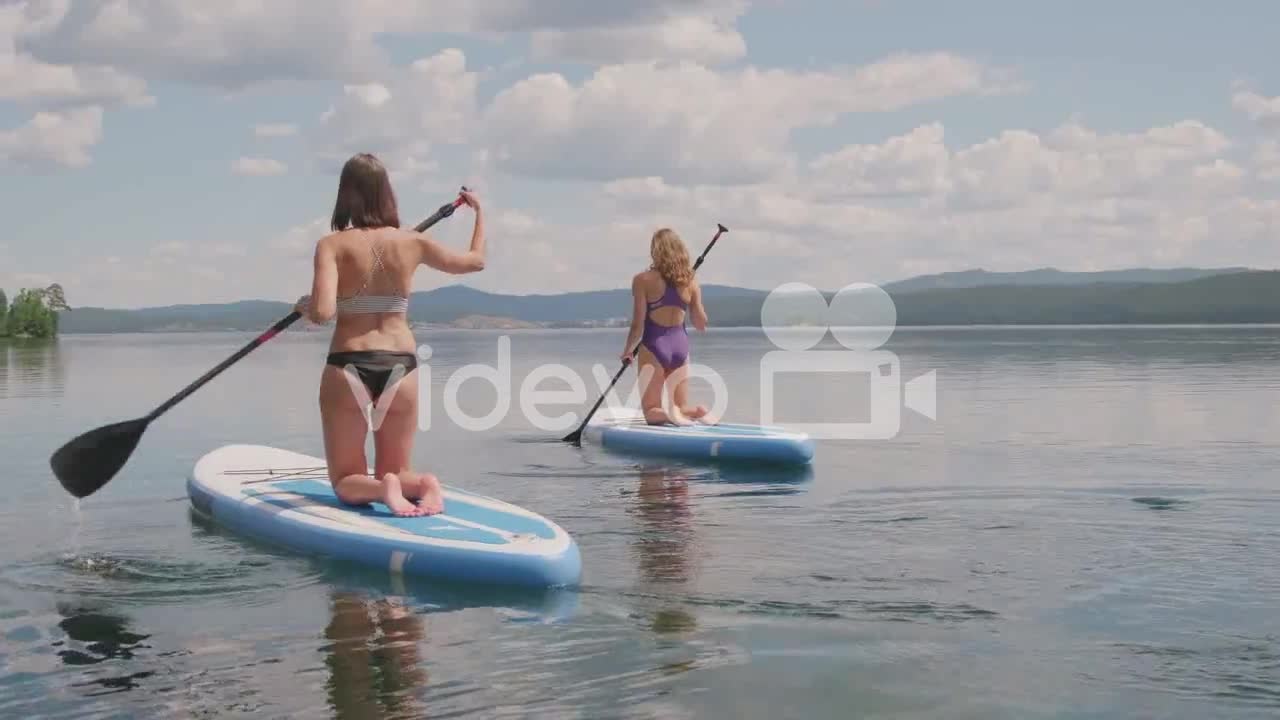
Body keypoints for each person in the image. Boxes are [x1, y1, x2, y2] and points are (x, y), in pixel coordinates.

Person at [295, 153, 484, 517]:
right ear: (387, 194)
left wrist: (305, 307)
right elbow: (475, 261)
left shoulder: (332, 245)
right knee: (396, 469)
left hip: (349, 362)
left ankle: (385, 490)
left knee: (346, 479)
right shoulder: (412, 242)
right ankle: (419, 484)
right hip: (401, 364)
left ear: (345, 195)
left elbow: (322, 313)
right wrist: (479, 213)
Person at [620, 228, 715, 426]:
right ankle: (698, 411)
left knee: (651, 411)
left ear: (656, 251)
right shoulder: (691, 281)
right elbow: (700, 323)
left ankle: (670, 416)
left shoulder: (642, 280)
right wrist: (691, 290)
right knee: (681, 407)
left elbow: (638, 323)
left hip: (655, 346)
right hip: (681, 347)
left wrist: (628, 350)